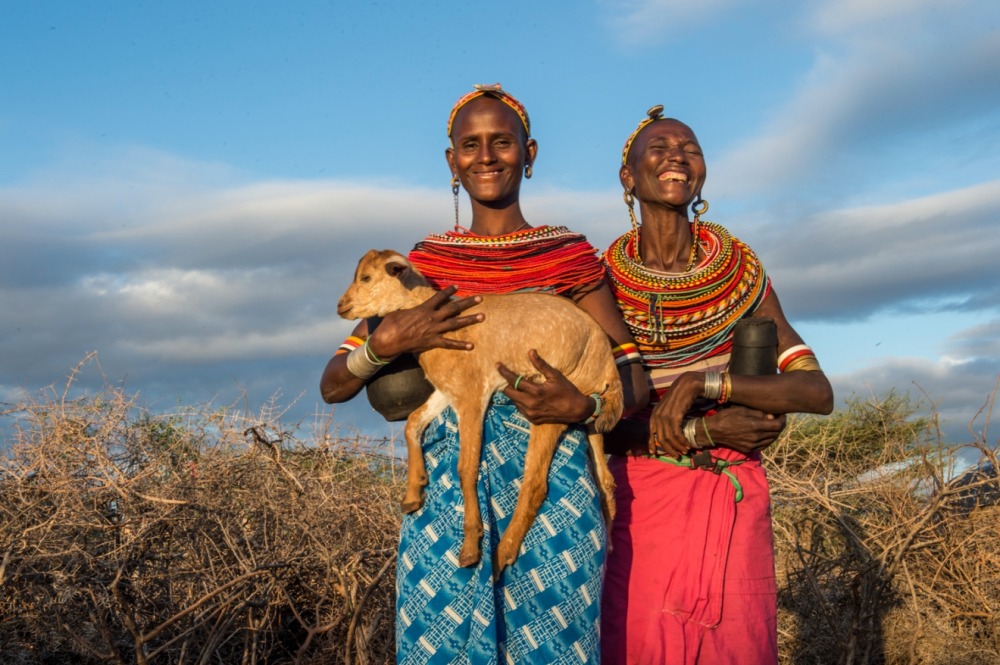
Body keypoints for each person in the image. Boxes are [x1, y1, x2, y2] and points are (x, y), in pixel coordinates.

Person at [320, 84, 647, 664]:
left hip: (553, 493)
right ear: (452, 161)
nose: (487, 156)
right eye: (470, 144)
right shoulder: (420, 269)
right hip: (446, 499)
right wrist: (387, 342)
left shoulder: (570, 258)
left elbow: (631, 384)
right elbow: (334, 384)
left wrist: (584, 410)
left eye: (503, 142)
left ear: (531, 153)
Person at [599, 106, 835, 664]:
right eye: (657, 148)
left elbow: (815, 392)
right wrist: (704, 429)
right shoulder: (601, 282)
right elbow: (595, 425)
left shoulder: (739, 273)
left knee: (737, 645)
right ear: (628, 178)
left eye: (690, 147)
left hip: (734, 500)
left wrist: (706, 382)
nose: (677, 155)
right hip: (641, 504)